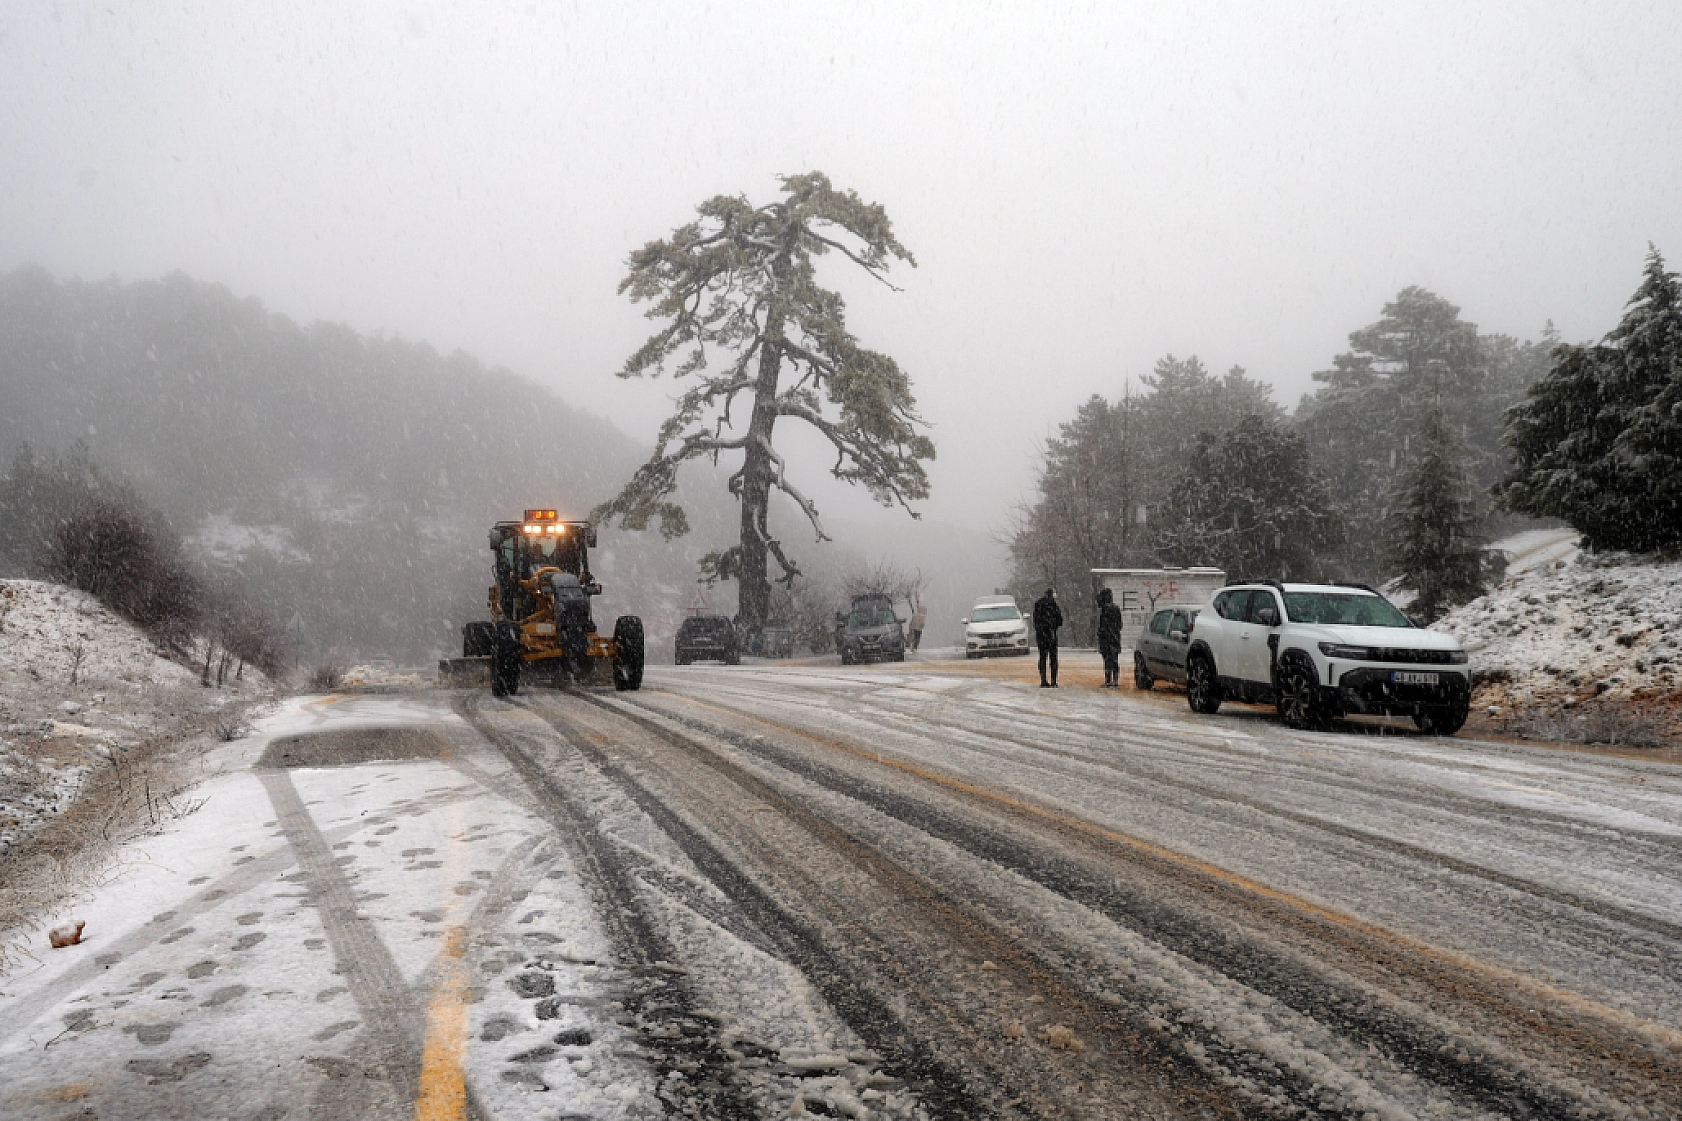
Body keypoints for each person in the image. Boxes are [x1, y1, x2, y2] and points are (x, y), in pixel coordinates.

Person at [1032, 586, 1063, 687]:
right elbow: (1060, 620)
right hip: (1051, 634)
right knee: (1053, 658)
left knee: (1042, 657)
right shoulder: (1054, 605)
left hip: (1041, 635)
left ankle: (1043, 680)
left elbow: (1035, 621)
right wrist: (1053, 626)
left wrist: (1040, 629)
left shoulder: (1038, 604)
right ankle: (1053, 681)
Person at [1096, 587, 1122, 687]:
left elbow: (1105, 625)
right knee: (1113, 659)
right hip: (1112, 637)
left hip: (1108, 638)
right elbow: (1119, 625)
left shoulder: (1106, 609)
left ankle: (1109, 680)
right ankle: (1113, 680)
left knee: (1108, 659)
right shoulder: (1114, 608)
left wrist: (1104, 632)